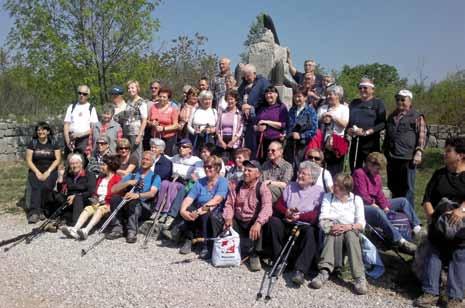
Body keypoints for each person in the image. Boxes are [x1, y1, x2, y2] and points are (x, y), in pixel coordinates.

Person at [414, 137, 465, 308]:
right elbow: (427, 198)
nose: (445, 154)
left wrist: (461, 210)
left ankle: (455, 297)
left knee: (459, 254)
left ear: (460, 155)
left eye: (449, 151)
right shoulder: (439, 174)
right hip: (439, 224)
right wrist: (432, 216)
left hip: (460, 228)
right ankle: (430, 293)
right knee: (434, 250)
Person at [268, 161, 324, 285]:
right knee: (273, 222)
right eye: (299, 172)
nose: (299, 175)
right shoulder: (290, 186)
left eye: (303, 174)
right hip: (287, 221)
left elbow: (316, 214)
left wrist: (300, 216)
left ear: (312, 178)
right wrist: (286, 212)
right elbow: (278, 205)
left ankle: (300, 271)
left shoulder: (319, 192)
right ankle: (280, 261)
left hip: (304, 225)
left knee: (310, 232)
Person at [310, 174, 367, 295]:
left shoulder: (357, 200)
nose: (334, 187)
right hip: (331, 226)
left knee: (351, 235)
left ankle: (359, 277)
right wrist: (332, 227)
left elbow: (361, 223)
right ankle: (324, 271)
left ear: (345, 189)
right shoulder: (328, 197)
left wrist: (348, 226)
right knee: (332, 232)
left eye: (337, 186)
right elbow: (323, 218)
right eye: (334, 184)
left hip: (350, 229)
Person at [353, 152, 420, 255]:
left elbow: (380, 194)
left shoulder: (377, 177)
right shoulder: (359, 173)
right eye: (377, 169)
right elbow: (362, 194)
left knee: (403, 201)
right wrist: (372, 204)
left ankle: (417, 228)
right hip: (362, 206)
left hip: (376, 204)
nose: (379, 172)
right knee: (376, 210)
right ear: (370, 164)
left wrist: (385, 206)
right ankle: (399, 240)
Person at [223, 160, 273, 271]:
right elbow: (229, 203)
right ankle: (229, 250)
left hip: (253, 221)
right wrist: (228, 218)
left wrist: (258, 223)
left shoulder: (262, 188)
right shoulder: (237, 185)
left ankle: (254, 254)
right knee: (222, 219)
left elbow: (267, 207)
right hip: (239, 220)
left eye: (249, 171)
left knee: (265, 222)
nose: (245, 173)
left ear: (258, 174)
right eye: (245, 170)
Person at [178, 156, 228, 259]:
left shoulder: (223, 182)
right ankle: (189, 240)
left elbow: (216, 201)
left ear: (217, 168)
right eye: (205, 166)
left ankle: (206, 245)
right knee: (189, 209)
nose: (206, 169)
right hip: (200, 208)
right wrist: (183, 210)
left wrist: (198, 211)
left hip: (215, 210)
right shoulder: (200, 182)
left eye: (210, 167)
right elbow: (189, 198)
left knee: (206, 214)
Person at [61, 154, 121, 240]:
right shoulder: (101, 178)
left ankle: (86, 230)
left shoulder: (117, 178)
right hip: (98, 202)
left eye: (103, 165)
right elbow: (95, 191)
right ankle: (75, 228)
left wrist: (105, 201)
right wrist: (94, 198)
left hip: (108, 204)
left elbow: (117, 194)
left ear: (110, 166)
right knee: (88, 209)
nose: (101, 167)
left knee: (100, 210)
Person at [384, 89, 427, 207]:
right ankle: (397, 214)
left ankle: (409, 217)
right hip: (392, 157)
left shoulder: (417, 116)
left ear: (410, 101)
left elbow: (422, 135)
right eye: (398, 99)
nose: (400, 102)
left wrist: (419, 152)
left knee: (408, 188)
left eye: (403, 99)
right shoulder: (392, 116)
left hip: (408, 157)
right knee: (393, 186)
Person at [105, 151, 161, 243]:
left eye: (147, 160)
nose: (144, 161)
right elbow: (113, 189)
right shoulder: (132, 175)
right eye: (143, 159)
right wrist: (128, 182)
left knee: (134, 201)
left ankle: (132, 231)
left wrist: (137, 195)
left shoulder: (155, 177)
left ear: (152, 163)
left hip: (144, 206)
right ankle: (117, 228)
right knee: (115, 198)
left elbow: (152, 193)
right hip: (129, 204)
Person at [155, 139, 204, 230]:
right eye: (180, 147)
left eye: (184, 147)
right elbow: (167, 158)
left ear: (190, 149)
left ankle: (169, 214)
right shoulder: (176, 157)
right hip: (173, 179)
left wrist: (196, 175)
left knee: (174, 186)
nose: (181, 148)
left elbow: (199, 172)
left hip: (185, 181)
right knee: (164, 183)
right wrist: (160, 152)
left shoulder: (196, 160)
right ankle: (158, 210)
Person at [347, 78, 386, 172]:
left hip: (371, 143)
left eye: (365, 88)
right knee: (355, 170)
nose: (362, 90)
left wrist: (367, 132)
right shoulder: (354, 103)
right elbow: (348, 120)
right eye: (360, 88)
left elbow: (382, 123)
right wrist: (349, 130)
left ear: (372, 90)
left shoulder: (378, 103)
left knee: (372, 170)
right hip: (356, 142)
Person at [25, 122, 61, 223]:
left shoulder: (54, 143)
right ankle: (34, 213)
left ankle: (42, 210)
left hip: (50, 170)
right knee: (36, 187)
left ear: (48, 131)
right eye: (39, 130)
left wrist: (48, 172)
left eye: (43, 129)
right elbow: (28, 160)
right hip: (35, 170)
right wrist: (37, 172)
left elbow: (57, 159)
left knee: (46, 186)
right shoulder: (33, 143)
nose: (40, 131)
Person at [55, 153, 96, 226]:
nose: (74, 166)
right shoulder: (69, 175)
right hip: (70, 199)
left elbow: (91, 192)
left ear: (81, 164)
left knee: (78, 198)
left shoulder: (89, 175)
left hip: (84, 199)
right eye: (72, 164)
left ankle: (76, 224)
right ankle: (56, 217)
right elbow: (60, 190)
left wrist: (75, 196)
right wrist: (60, 176)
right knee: (54, 195)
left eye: (77, 163)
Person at [317, 85, 350, 176]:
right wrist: (323, 117)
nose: (328, 97)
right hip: (322, 142)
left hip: (337, 143)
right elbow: (316, 122)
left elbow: (344, 124)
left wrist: (333, 116)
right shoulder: (323, 108)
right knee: (321, 168)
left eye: (330, 95)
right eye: (327, 95)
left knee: (335, 171)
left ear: (338, 96)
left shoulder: (344, 109)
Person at [237, 64, 271, 154]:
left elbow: (265, 98)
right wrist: (242, 106)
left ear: (254, 73)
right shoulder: (243, 84)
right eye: (245, 76)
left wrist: (252, 107)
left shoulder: (263, 82)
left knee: (255, 146)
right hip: (245, 118)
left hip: (257, 116)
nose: (246, 78)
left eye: (248, 76)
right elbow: (238, 97)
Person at [284, 87, 317, 167]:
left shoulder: (310, 111)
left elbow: (314, 129)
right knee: (289, 165)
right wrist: (286, 134)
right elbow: (288, 125)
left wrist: (301, 136)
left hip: (302, 145)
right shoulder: (292, 110)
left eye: (299, 96)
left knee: (299, 167)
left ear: (305, 97)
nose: (296, 99)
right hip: (290, 143)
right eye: (295, 96)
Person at [254, 86, 289, 162]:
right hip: (261, 140)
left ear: (276, 94)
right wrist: (258, 128)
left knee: (274, 161)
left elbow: (283, 125)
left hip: (275, 140)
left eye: (271, 93)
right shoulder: (261, 107)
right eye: (266, 93)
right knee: (261, 162)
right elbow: (255, 124)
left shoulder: (281, 107)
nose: (268, 95)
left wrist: (267, 122)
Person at [63, 85, 98, 157]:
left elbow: (94, 128)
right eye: (80, 93)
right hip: (71, 138)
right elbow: (66, 124)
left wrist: (80, 135)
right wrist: (67, 141)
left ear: (88, 95)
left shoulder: (91, 108)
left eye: (84, 94)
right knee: (69, 161)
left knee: (81, 161)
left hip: (84, 140)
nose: (82, 95)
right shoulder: (72, 106)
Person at [148, 87, 179, 156]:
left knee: (166, 156)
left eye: (164, 97)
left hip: (168, 138)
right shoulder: (153, 107)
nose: (162, 98)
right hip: (155, 136)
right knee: (154, 155)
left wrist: (164, 128)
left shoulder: (173, 109)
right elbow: (148, 120)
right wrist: (151, 123)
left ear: (168, 98)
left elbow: (176, 125)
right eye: (160, 96)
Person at [122, 80, 148, 161]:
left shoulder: (141, 102)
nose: (130, 90)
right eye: (129, 88)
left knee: (136, 155)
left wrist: (140, 135)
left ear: (137, 89)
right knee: (128, 154)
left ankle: (138, 172)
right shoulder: (129, 102)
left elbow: (144, 119)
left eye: (132, 88)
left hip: (136, 132)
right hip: (127, 132)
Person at [215, 89, 244, 162]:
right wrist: (221, 141)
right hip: (221, 143)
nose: (229, 101)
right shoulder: (222, 112)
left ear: (236, 100)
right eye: (228, 99)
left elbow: (241, 129)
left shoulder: (239, 114)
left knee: (233, 163)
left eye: (231, 99)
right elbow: (217, 128)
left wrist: (232, 141)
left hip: (234, 143)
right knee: (221, 163)